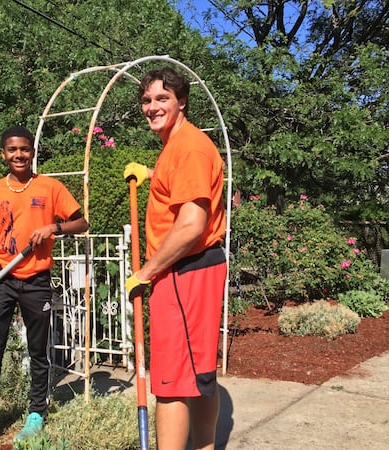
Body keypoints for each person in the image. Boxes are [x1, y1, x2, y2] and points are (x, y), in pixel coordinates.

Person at [0, 126, 89, 450]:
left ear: (32, 152)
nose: (19, 155)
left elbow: (81, 223)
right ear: (3, 154)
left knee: (38, 349)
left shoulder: (50, 187)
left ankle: (35, 415)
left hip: (37, 281)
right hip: (2, 279)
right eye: (12, 150)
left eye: (25, 149)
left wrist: (53, 227)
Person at [124, 68, 227, 450]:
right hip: (195, 269)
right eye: (147, 100)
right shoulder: (179, 146)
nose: (152, 107)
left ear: (181, 101)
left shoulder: (188, 148)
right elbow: (181, 189)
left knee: (170, 382)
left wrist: (146, 273)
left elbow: (190, 226)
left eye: (162, 98)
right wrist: (152, 174)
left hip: (184, 271)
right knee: (199, 377)